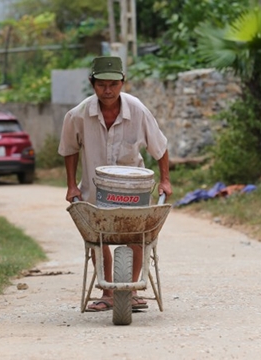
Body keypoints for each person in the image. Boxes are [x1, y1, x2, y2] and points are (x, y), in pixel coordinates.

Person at [58, 56, 172, 311]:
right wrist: (71, 186)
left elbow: (160, 147)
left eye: (113, 84)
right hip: (94, 190)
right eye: (101, 85)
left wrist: (165, 180)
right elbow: (69, 149)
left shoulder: (138, 111)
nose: (107, 90)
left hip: (134, 191)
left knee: (139, 234)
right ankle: (108, 292)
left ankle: (130, 290)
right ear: (92, 83)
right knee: (97, 236)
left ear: (122, 83)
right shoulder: (78, 115)